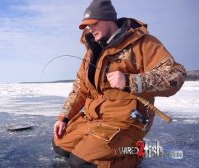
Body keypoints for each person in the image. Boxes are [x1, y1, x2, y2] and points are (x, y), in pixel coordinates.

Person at [52, 0, 186, 167]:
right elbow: (80, 88)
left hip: (126, 121)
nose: (89, 29)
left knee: (83, 162)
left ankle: (136, 152)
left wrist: (130, 81)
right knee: (59, 145)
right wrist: (64, 117)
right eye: (86, 26)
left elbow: (176, 75)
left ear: (108, 20)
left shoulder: (143, 43)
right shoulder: (92, 51)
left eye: (93, 24)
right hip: (94, 117)